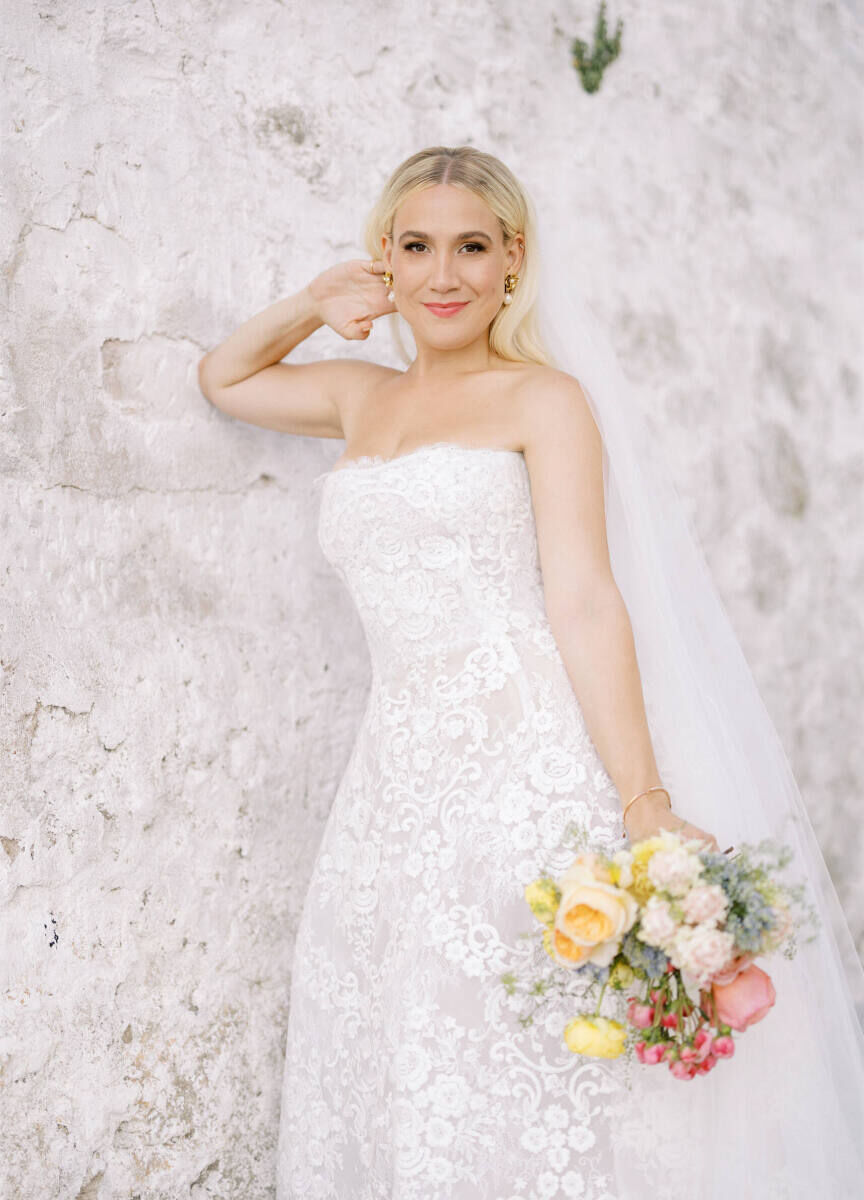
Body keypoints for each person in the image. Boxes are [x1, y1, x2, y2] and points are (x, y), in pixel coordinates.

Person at [198, 146, 864, 1198]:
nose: (444, 274)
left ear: (513, 259)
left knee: (531, 1055)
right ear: (386, 256)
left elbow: (584, 597)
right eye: (417, 247)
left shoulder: (543, 399)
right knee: (407, 1050)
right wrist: (315, 304)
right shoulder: (359, 398)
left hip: (526, 768)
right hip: (392, 784)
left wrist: (643, 800)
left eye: (472, 247)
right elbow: (224, 377)